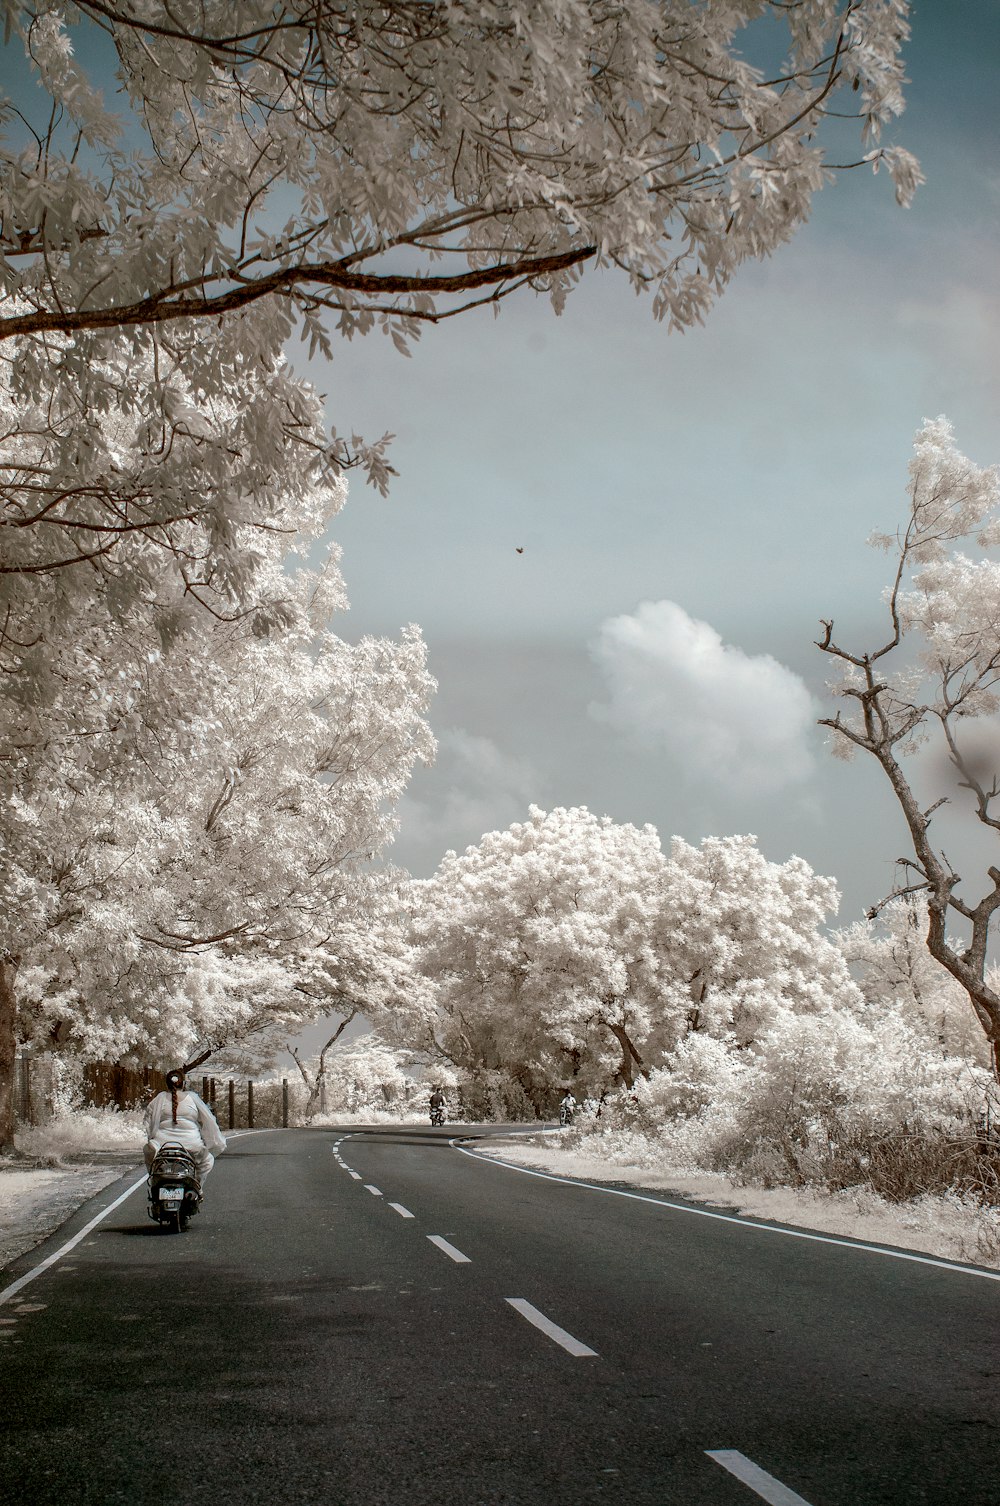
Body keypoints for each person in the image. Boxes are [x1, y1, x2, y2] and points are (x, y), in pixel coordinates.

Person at [144, 1069, 227, 1182]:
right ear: (183, 1083)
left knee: (150, 1156)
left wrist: (151, 1138)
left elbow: (148, 1122)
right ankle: (197, 1188)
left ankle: (155, 1182)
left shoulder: (159, 1099)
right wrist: (209, 1140)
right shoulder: (192, 1098)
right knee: (206, 1162)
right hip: (191, 1144)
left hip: (161, 1145)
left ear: (167, 1084)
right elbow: (208, 1121)